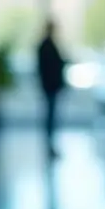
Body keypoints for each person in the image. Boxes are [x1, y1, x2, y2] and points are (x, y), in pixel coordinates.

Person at [36, 20, 66, 157]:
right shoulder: (46, 46)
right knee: (50, 118)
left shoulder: (47, 45)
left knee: (52, 117)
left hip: (51, 86)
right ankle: (49, 147)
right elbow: (48, 67)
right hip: (50, 86)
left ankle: (50, 146)